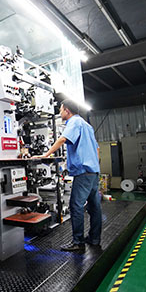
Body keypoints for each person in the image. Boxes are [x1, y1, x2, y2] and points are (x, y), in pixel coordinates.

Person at [38, 99, 102, 251]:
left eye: (60, 110)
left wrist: (46, 155)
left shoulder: (74, 122)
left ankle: (78, 242)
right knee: (94, 207)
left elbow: (63, 139)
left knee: (75, 206)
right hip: (93, 171)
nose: (60, 113)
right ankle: (94, 239)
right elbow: (97, 149)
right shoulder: (87, 125)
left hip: (83, 172)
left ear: (67, 110)